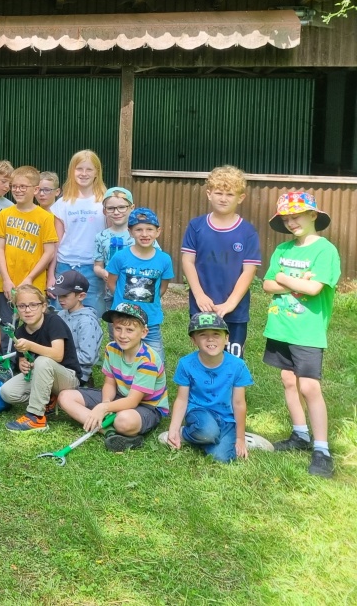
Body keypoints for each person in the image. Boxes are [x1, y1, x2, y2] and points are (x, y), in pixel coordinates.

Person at [261, 191, 340, 479]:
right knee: (287, 380)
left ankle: (322, 449)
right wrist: (288, 280)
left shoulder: (324, 250)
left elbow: (314, 289)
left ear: (313, 216)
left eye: (297, 216)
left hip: (307, 331)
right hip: (281, 326)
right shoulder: (283, 250)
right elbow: (267, 284)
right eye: (287, 218)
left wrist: (283, 278)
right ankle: (300, 435)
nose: (292, 222)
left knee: (309, 387)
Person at [57, 303, 168, 451]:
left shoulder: (148, 361)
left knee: (124, 420)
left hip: (147, 406)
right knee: (65, 397)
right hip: (119, 396)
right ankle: (109, 432)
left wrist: (104, 408)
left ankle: (110, 426)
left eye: (130, 330)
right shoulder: (111, 348)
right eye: (118, 328)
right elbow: (109, 383)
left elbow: (133, 401)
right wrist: (106, 402)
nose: (122, 335)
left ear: (144, 332)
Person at [180, 165, 262, 358]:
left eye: (229, 194)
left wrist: (231, 303)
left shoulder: (247, 231)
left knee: (233, 360)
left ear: (240, 198)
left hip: (235, 309)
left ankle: (232, 389)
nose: (223, 198)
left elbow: (249, 271)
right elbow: (187, 261)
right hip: (202, 305)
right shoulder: (196, 226)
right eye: (218, 193)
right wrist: (199, 295)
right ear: (209, 194)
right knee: (206, 355)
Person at [161, 313, 262, 463]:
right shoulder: (186, 363)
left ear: (226, 338)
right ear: (193, 340)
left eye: (216, 334)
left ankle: (223, 436)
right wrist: (174, 429)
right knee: (208, 431)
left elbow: (239, 403)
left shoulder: (238, 366)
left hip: (225, 418)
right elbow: (182, 400)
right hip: (198, 412)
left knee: (221, 458)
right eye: (203, 335)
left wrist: (240, 438)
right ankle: (185, 433)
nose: (210, 339)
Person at [0, 166, 58, 351]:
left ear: (35, 190)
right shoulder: (5, 214)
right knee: (7, 325)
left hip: (34, 282)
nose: (17, 190)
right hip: (8, 283)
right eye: (14, 186)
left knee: (33, 324)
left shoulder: (45, 218)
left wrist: (29, 278)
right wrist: (5, 278)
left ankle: (31, 361)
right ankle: (7, 365)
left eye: (23, 187)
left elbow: (49, 252)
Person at [1, 284, 82, 432]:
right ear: (17, 309)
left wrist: (31, 346)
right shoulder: (19, 332)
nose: (28, 310)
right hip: (41, 377)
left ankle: (36, 417)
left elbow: (58, 355)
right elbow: (22, 361)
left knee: (42, 361)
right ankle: (49, 399)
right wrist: (23, 365)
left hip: (67, 378)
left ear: (43, 306)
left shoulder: (53, 322)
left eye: (33, 305)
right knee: (6, 392)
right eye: (22, 306)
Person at [106, 207, 174, 366]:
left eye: (150, 229)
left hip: (150, 320)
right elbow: (111, 283)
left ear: (158, 231)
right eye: (139, 229)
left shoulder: (164, 259)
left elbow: (162, 287)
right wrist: (124, 300)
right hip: (123, 318)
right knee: (118, 359)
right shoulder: (120, 257)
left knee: (156, 361)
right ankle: (119, 387)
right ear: (130, 232)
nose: (144, 234)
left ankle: (154, 389)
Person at [50, 149, 107, 310]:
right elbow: (56, 242)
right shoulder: (62, 204)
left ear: (97, 172)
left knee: (91, 313)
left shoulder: (104, 201)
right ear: (72, 171)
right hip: (65, 266)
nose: (84, 173)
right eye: (79, 169)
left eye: (89, 169)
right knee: (61, 314)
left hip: (94, 267)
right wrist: (51, 274)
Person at [48, 270, 102, 387]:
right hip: (58, 364)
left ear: (81, 296)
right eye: (58, 295)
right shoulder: (61, 314)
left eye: (65, 295)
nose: (60, 299)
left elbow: (88, 357)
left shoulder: (87, 322)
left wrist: (58, 353)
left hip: (78, 373)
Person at [92, 186, 134, 318]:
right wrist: (104, 273)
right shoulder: (101, 237)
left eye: (122, 207)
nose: (116, 212)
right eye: (111, 208)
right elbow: (97, 265)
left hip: (137, 290)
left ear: (131, 208)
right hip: (112, 292)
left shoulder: (141, 233)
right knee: (116, 329)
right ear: (105, 211)